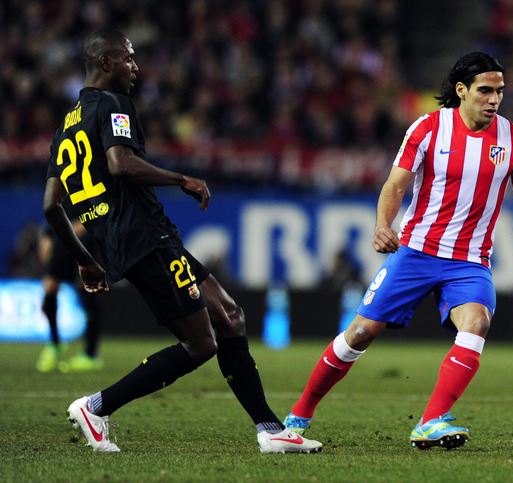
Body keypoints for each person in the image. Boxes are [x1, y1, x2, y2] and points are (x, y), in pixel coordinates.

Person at [281, 51, 513, 450]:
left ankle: (431, 421)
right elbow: (395, 186)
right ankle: (297, 418)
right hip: (416, 251)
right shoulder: (428, 129)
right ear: (461, 90)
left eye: (499, 91)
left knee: (477, 323)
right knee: (360, 333)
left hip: (470, 260)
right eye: (485, 90)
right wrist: (382, 225)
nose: (494, 99)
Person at [43, 29, 321, 454]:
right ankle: (96, 408)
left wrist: (85, 260)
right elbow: (120, 164)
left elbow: (50, 206)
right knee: (201, 343)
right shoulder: (115, 105)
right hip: (143, 237)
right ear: (106, 63)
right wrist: (182, 179)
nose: (135, 67)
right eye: (128, 58)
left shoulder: (66, 125)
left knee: (230, 316)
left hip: (135, 239)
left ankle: (270, 430)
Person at [36, 219, 104, 373]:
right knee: (49, 289)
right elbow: (55, 206)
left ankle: (90, 355)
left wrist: (83, 225)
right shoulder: (62, 194)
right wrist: (47, 235)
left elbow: (100, 208)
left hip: (85, 242)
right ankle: (55, 343)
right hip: (61, 241)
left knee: (88, 293)